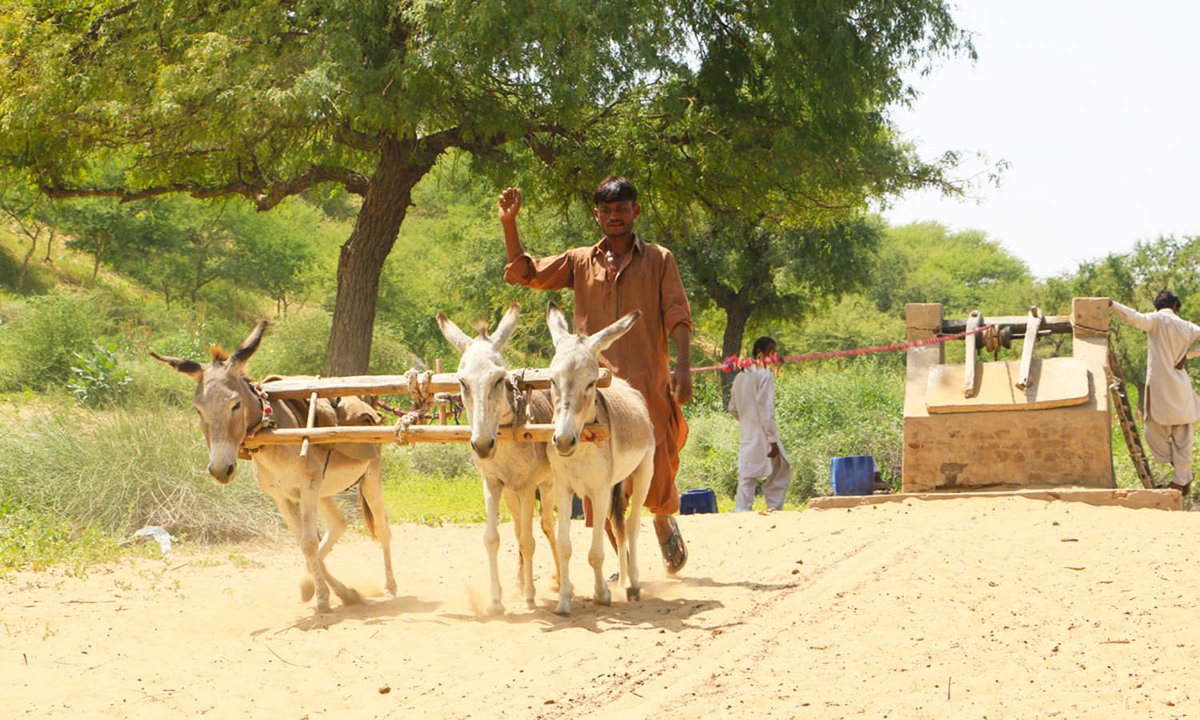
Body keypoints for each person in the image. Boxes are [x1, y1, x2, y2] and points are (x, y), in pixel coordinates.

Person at [499, 176, 693, 574]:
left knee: (658, 463)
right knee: (593, 470)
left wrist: (684, 366)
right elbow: (528, 272)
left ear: (635, 211)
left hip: (646, 383)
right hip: (593, 390)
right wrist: (509, 224)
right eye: (606, 211)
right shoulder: (579, 260)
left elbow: (677, 313)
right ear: (596, 216)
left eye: (622, 209)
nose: (614, 217)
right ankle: (621, 553)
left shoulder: (659, 259)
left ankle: (659, 518)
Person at [1110, 290, 1200, 496]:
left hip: (1160, 389)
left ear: (1157, 306)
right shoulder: (1187, 326)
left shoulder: (1156, 320)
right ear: (1176, 306)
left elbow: (1133, 318)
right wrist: (1189, 355)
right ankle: (1182, 475)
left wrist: (1113, 304)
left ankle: (1181, 478)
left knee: (1152, 433)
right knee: (1183, 438)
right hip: (1181, 388)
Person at [728, 336, 792, 511]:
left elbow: (733, 409)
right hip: (764, 432)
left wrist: (748, 421)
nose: (773, 356)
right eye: (770, 352)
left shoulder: (740, 377)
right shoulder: (764, 374)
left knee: (747, 473)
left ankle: (742, 508)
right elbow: (766, 408)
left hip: (747, 431)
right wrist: (772, 439)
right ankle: (774, 506)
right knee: (781, 468)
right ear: (760, 353)